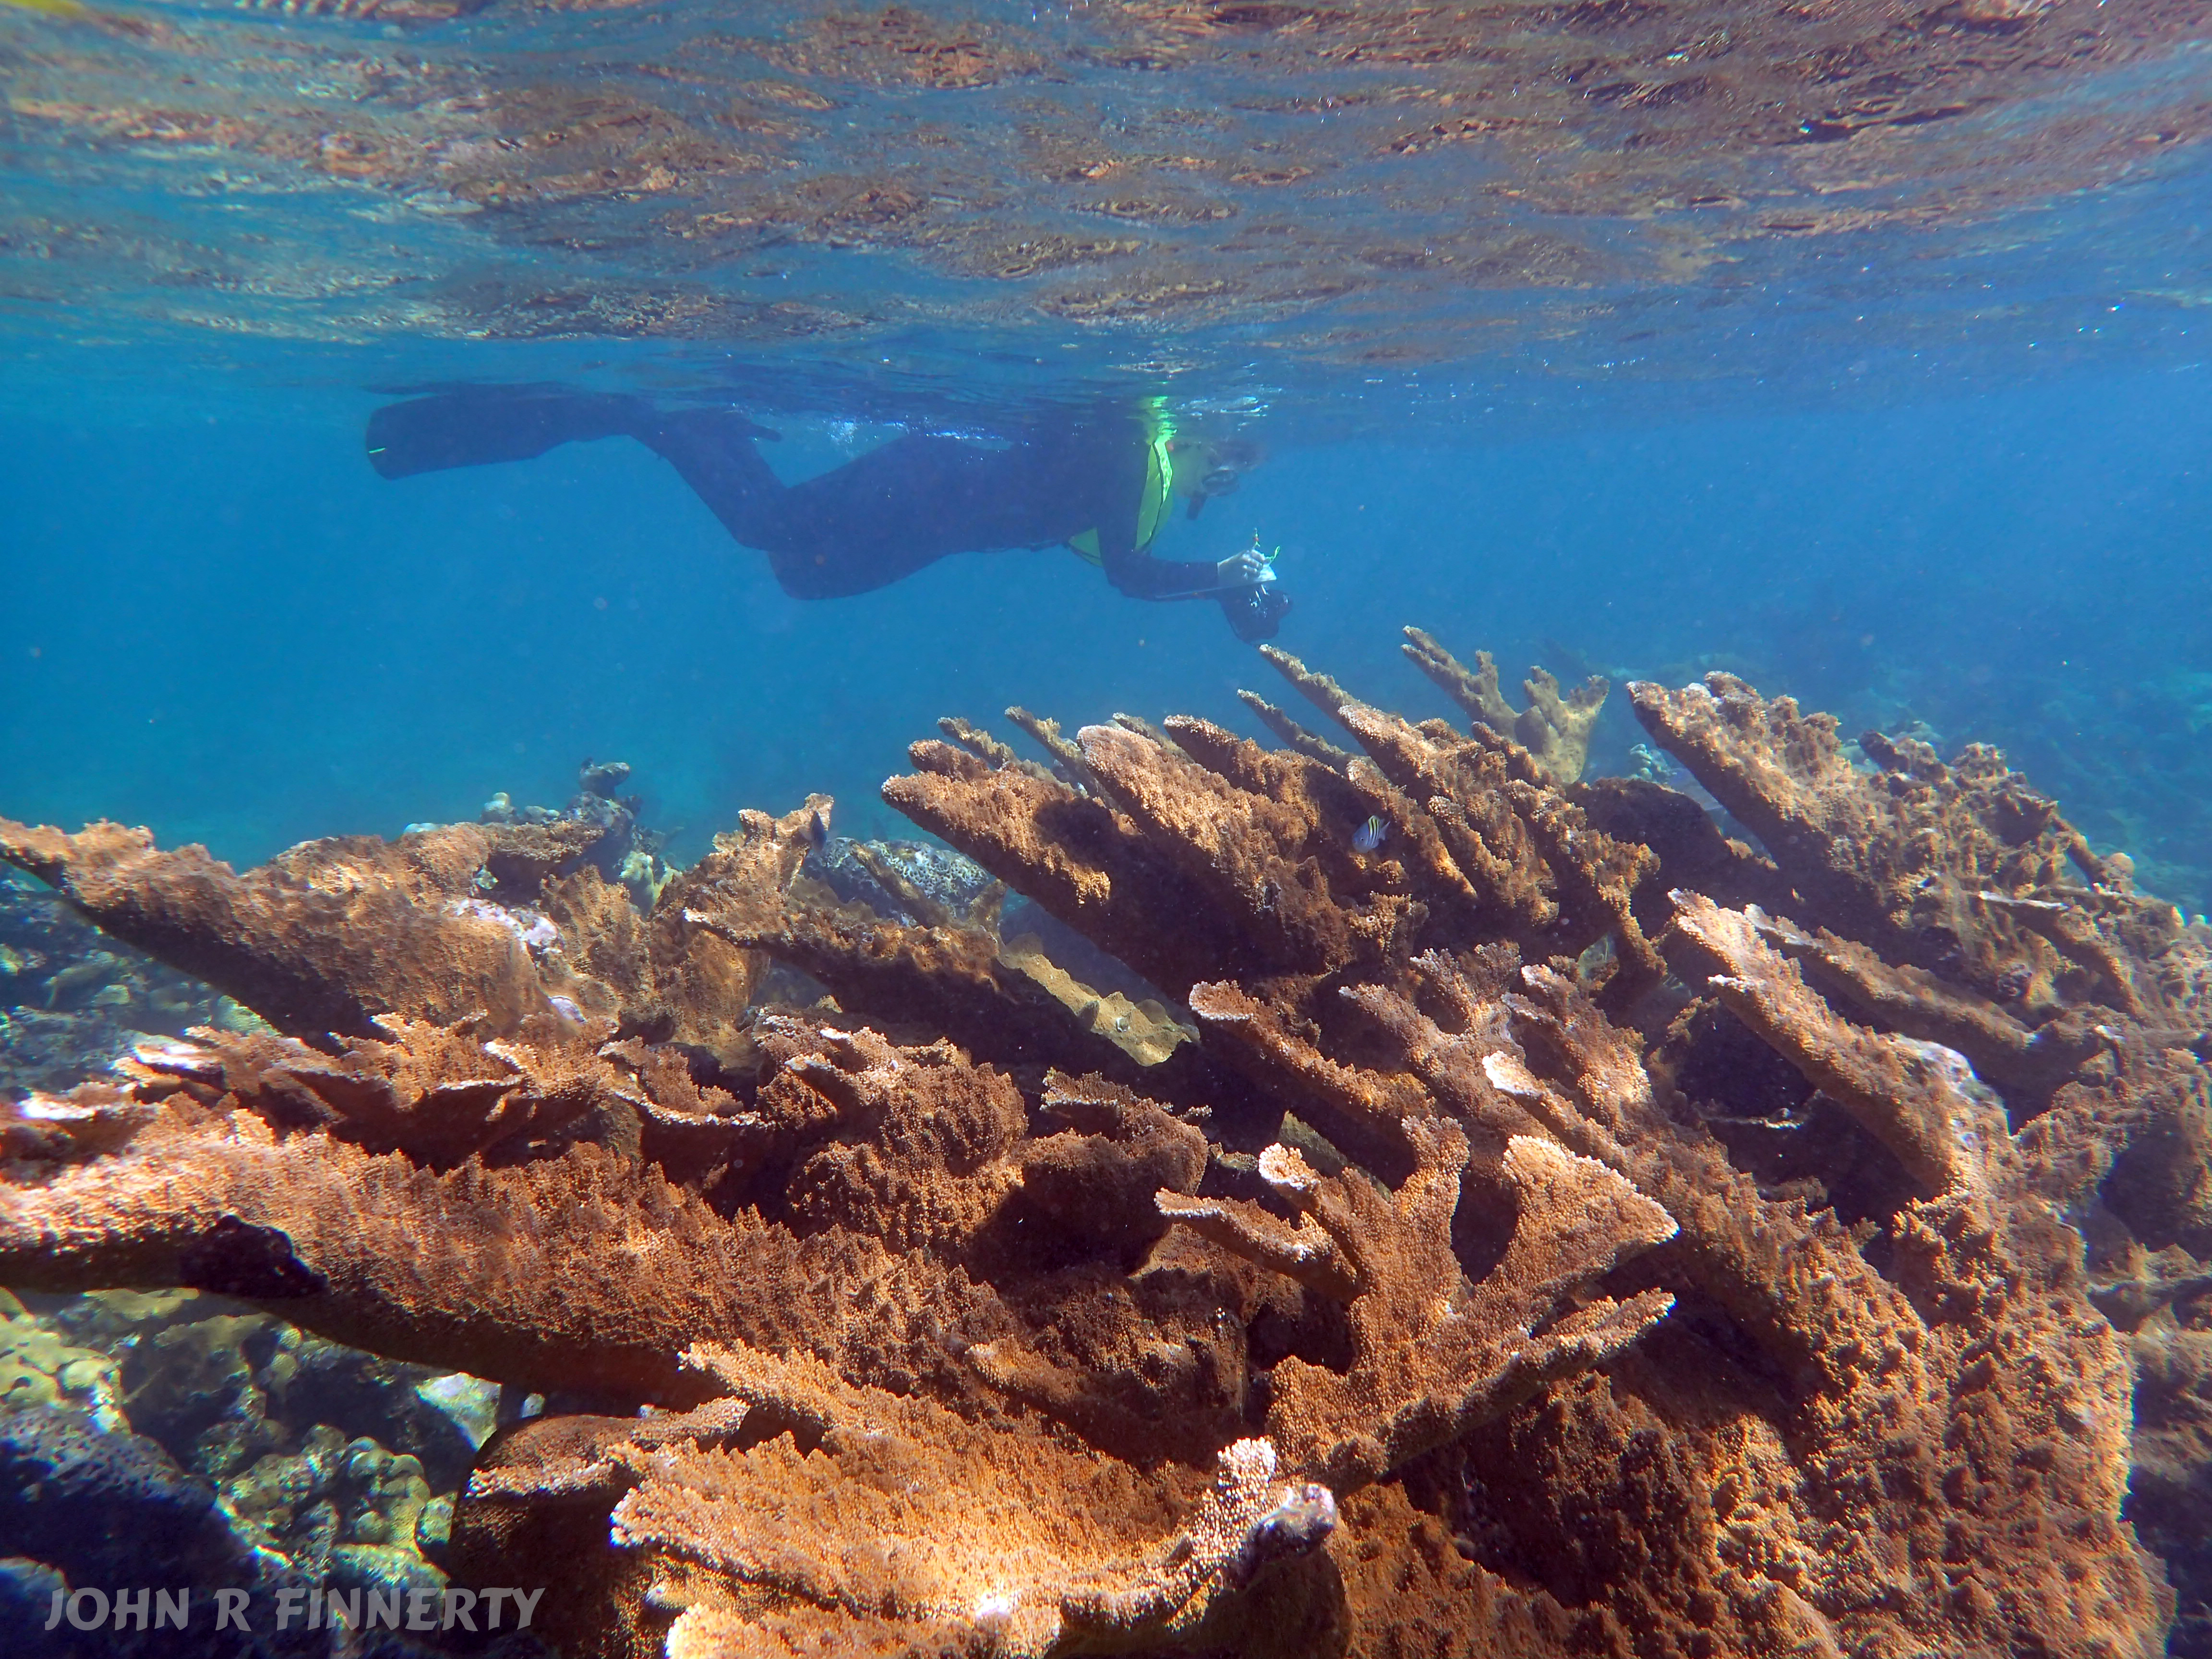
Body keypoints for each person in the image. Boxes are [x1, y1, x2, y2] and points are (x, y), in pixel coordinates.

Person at [364, 385, 1291, 640]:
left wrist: (1223, 584)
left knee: (799, 574)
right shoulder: (1138, 449)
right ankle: (645, 419)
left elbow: (1096, 543)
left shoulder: (1140, 459)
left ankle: (683, 429)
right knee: (766, 530)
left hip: (938, 515)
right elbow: (1127, 572)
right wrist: (1224, 579)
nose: (1232, 480)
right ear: (1215, 437)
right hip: (931, 491)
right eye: (1237, 459)